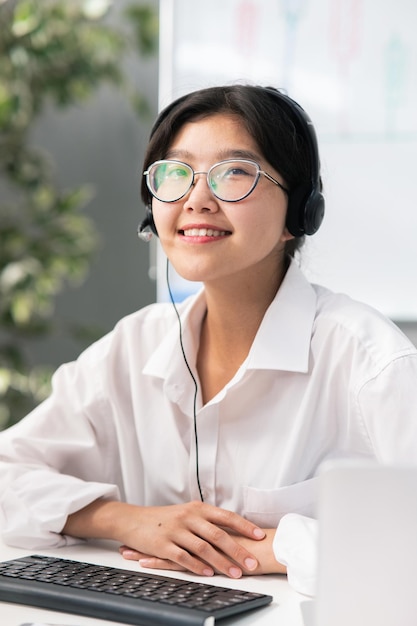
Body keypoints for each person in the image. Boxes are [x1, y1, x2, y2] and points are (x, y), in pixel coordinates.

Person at [1, 84, 416, 596]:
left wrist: (282, 546)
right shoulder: (134, 346)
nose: (197, 200)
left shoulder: (370, 361)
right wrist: (124, 519)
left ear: (299, 212)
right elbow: (7, 472)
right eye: (175, 174)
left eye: (235, 173)